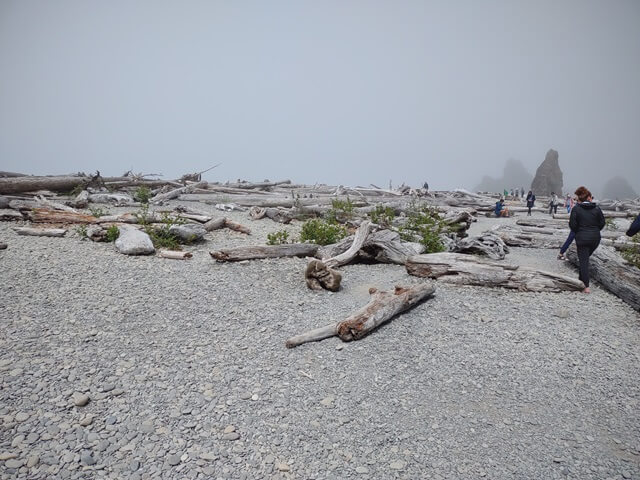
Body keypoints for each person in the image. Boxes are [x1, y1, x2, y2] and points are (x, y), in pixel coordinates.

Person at [569, 186, 605, 293]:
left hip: (582, 237)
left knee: (584, 261)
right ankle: (581, 280)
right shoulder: (597, 209)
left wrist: (578, 231)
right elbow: (602, 223)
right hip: (595, 238)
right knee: (584, 259)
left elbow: (572, 225)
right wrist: (595, 230)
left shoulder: (576, 209)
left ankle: (586, 286)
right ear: (588, 198)